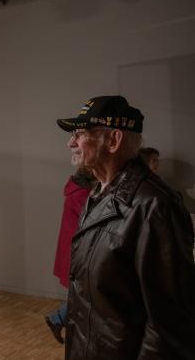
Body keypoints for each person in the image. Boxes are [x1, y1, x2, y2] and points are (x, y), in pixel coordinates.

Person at [56, 95, 195, 359]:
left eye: (80, 133)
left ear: (113, 140)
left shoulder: (154, 206)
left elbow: (169, 324)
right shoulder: (98, 193)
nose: (71, 142)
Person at [45, 167, 94, 344]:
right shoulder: (80, 195)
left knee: (84, 294)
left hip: (78, 248)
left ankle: (57, 319)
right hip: (78, 249)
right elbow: (91, 219)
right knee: (84, 294)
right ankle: (57, 319)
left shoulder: (79, 192)